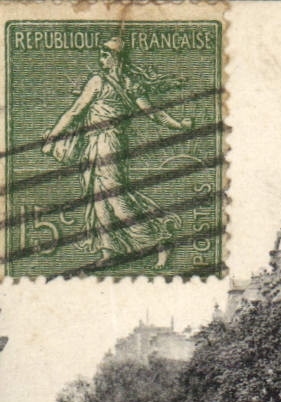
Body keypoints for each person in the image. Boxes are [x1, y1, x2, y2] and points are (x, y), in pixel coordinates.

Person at [41, 38, 192, 270]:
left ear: (116, 58)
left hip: (109, 143)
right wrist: (178, 125)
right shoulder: (124, 82)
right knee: (98, 197)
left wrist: (52, 138)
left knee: (116, 198)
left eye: (105, 55)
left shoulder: (105, 82)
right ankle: (109, 250)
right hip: (97, 143)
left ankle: (159, 241)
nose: (101, 59)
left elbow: (75, 112)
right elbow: (152, 113)